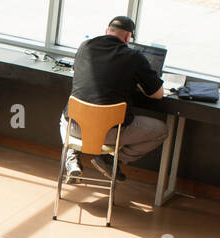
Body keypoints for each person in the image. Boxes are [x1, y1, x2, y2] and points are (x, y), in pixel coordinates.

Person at [62, 15, 169, 182]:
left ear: (107, 31)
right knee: (161, 130)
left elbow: (78, 72)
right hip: (110, 133)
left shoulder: (85, 46)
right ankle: (112, 160)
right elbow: (158, 94)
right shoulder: (134, 57)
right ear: (128, 37)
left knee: (63, 117)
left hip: (75, 127)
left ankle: (72, 158)